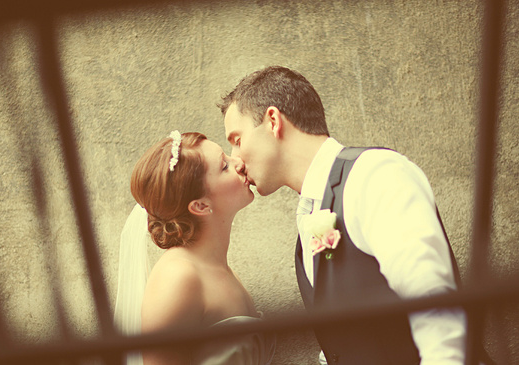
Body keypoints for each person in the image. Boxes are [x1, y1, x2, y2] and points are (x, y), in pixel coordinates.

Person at [218, 66, 475, 365]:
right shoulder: (310, 214)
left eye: (236, 140)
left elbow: (437, 312)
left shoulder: (375, 174)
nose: (235, 157)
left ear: (273, 121)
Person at [113, 131, 276, 365]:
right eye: (224, 166)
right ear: (200, 205)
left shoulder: (218, 268)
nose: (238, 162)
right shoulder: (178, 277)